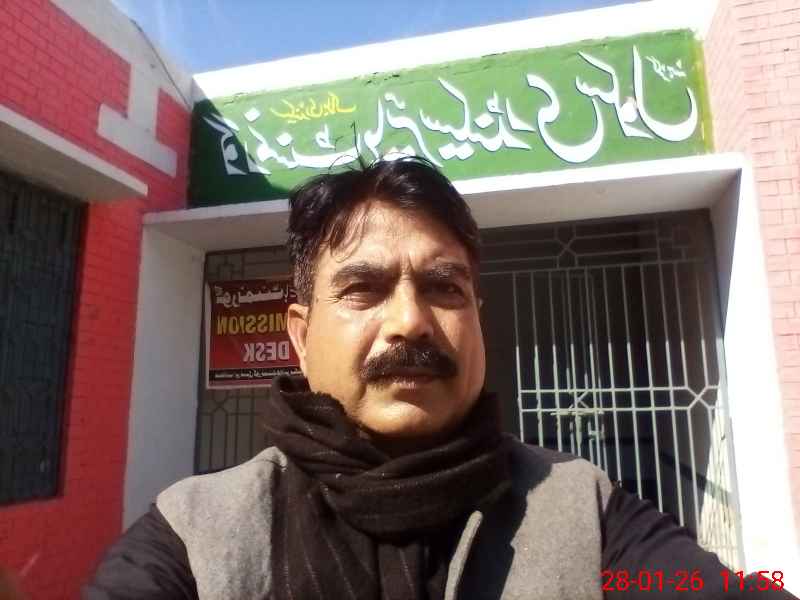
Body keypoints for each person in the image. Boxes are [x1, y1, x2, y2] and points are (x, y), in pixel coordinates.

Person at [84, 157, 796, 599]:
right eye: (363, 289)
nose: (411, 322)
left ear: (477, 318)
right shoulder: (195, 533)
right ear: (300, 336)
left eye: (444, 288)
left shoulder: (587, 513)